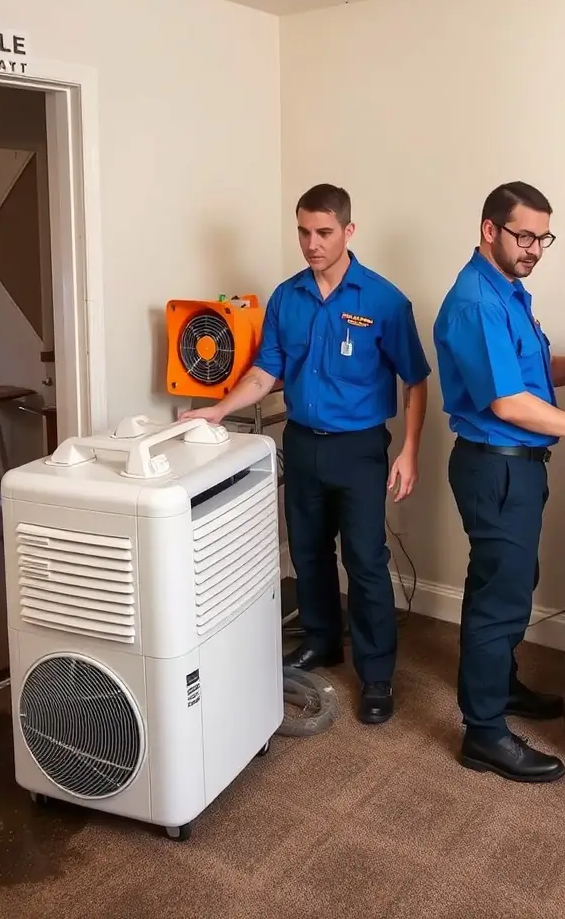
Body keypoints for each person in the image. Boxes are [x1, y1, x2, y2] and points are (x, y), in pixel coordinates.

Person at [181, 183, 430, 724]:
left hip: (360, 448)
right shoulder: (286, 298)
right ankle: (322, 640)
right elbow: (266, 372)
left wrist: (409, 450)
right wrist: (218, 410)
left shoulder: (384, 301)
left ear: (348, 231)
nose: (311, 243)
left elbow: (415, 381)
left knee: (365, 561)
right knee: (309, 552)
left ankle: (377, 673)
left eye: (323, 232)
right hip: (300, 441)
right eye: (303, 231)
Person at [433, 181, 565, 783]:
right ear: (489, 230)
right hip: (496, 463)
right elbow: (509, 401)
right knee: (500, 599)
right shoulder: (477, 301)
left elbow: (535, 370)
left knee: (506, 583)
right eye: (524, 235)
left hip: (515, 466)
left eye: (542, 237)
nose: (535, 248)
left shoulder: (510, 294)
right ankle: (484, 734)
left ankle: (501, 687)